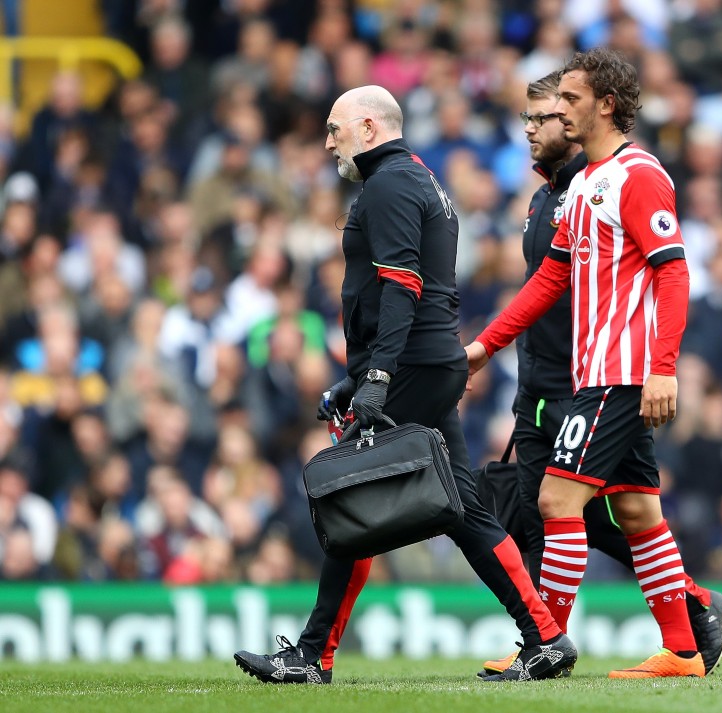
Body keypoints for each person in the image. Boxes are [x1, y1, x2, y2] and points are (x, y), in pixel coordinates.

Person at [233, 85, 577, 684]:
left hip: (411, 366)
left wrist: (377, 376)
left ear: (369, 127)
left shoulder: (389, 184)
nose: (328, 140)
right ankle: (545, 636)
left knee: (353, 496)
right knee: (463, 507)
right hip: (430, 362)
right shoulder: (419, 179)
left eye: (335, 128)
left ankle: (314, 654)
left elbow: (402, 286)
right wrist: (354, 377)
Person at [466, 49, 708, 679]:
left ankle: (545, 643)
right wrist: (483, 348)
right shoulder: (581, 189)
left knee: (555, 500)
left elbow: (673, 272)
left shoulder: (639, 174)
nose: (559, 111)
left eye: (570, 99)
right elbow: (549, 280)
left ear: (606, 104)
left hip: (621, 375)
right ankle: (684, 649)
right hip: (596, 374)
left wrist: (663, 366)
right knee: (634, 512)